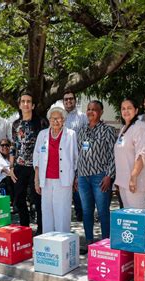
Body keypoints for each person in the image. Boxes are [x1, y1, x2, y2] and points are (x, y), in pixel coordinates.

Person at [77, 100, 116, 252]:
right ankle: (89, 242)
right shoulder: (81, 131)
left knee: (102, 211)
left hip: (100, 177)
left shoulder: (108, 130)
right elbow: (78, 154)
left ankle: (106, 244)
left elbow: (114, 155)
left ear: (101, 112)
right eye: (88, 109)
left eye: (94, 109)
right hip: (83, 177)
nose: (91, 112)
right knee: (86, 211)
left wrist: (109, 176)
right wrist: (76, 175)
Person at [33, 104, 78, 233]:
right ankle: (49, 240)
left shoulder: (71, 134)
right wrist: (37, 180)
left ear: (63, 120)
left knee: (62, 211)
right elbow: (36, 157)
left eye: (58, 118)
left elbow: (76, 158)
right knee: (46, 211)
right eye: (53, 119)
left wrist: (74, 177)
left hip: (63, 180)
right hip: (46, 179)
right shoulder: (42, 135)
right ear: (49, 120)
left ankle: (62, 240)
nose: (55, 121)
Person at [9, 91, 45, 234]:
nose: (26, 104)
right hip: (19, 166)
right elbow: (13, 145)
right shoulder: (16, 124)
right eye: (23, 101)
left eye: (28, 101)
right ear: (19, 105)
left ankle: (41, 230)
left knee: (38, 200)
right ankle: (24, 229)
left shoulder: (41, 123)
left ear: (33, 105)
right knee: (18, 199)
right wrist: (11, 166)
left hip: (36, 167)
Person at [114, 98, 145, 208]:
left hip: (135, 182)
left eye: (129, 108)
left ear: (136, 111)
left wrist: (133, 177)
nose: (126, 111)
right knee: (128, 220)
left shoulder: (139, 127)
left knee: (136, 219)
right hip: (123, 182)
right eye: (123, 108)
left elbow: (142, 154)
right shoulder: (124, 128)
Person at [62, 90, 87, 222]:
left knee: (78, 189)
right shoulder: (60, 116)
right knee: (65, 188)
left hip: (79, 158)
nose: (68, 101)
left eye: (71, 99)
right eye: (66, 99)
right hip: (63, 159)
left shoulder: (82, 117)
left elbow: (87, 136)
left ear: (75, 100)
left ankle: (81, 215)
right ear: (63, 102)